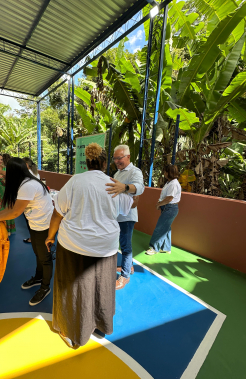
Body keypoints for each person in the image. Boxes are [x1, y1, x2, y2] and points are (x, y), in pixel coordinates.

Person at [45, 143, 134, 348]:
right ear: (104, 163)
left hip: (74, 245)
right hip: (106, 246)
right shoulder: (114, 184)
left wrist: (50, 236)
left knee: (72, 287)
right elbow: (130, 205)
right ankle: (100, 324)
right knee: (101, 286)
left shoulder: (75, 181)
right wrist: (128, 188)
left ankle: (70, 330)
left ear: (87, 163)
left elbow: (58, 212)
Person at [0, 157, 54, 306]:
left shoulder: (28, 185)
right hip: (36, 223)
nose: (4, 173)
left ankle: (45, 287)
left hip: (44, 225)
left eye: (6, 170)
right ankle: (38, 277)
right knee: (37, 252)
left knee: (45, 257)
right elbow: (13, 207)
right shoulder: (25, 182)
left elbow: (15, 212)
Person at [105, 145, 145, 290]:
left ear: (128, 156)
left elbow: (140, 188)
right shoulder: (117, 174)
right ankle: (129, 267)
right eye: (115, 158)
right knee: (123, 244)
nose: (117, 161)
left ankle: (125, 276)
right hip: (117, 215)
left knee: (125, 246)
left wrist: (125, 187)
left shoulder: (135, 171)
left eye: (119, 158)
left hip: (127, 216)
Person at [145, 165, 181, 256]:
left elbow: (169, 198)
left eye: (165, 171)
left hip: (170, 208)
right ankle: (166, 248)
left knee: (160, 228)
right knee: (166, 228)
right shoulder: (169, 182)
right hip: (167, 208)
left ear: (169, 173)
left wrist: (159, 204)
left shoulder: (173, 184)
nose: (164, 173)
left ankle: (154, 248)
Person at [22, 157, 40, 243]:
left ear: (25, 165)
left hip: (30, 200)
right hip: (35, 200)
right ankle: (35, 238)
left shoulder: (26, 174)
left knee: (30, 221)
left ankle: (32, 238)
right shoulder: (35, 172)